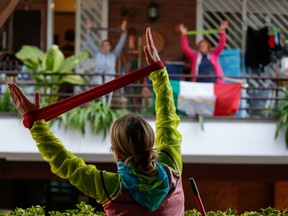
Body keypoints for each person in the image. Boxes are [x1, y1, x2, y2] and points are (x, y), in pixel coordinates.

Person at [8, 27, 184, 215]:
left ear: (116, 153)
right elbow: (167, 117)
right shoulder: (171, 163)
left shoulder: (110, 188)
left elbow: (64, 163)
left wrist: (35, 122)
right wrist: (158, 71)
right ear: (150, 143)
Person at [86, 17, 128, 85]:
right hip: (98, 80)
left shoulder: (113, 55)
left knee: (109, 76)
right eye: (104, 45)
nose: (105, 47)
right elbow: (90, 43)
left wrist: (124, 32)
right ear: (101, 47)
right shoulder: (98, 53)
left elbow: (121, 43)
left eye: (107, 45)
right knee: (98, 76)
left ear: (110, 47)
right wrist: (88, 29)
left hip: (109, 80)